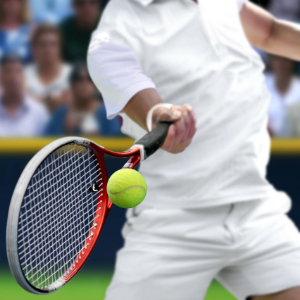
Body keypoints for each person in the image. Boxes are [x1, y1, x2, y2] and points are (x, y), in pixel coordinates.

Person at [88, 1, 300, 300]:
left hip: (255, 209)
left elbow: (270, 32)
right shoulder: (122, 20)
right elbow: (126, 82)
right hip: (173, 220)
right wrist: (158, 113)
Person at [45, 62, 121, 136]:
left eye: (89, 79)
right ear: (72, 84)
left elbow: (118, 144)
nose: (84, 83)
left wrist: (98, 141)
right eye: (79, 79)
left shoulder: (107, 114)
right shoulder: (61, 113)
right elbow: (47, 142)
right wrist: (67, 132)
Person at [25, 24, 72, 112]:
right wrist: (50, 98)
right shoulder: (24, 73)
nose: (48, 49)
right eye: (43, 44)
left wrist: (36, 98)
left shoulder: (71, 73)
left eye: (53, 44)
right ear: (34, 48)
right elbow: (22, 102)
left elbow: (68, 103)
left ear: (60, 47)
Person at [0, 54, 49, 136]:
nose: (13, 77)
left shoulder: (38, 112)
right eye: (8, 71)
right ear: (1, 77)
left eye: (18, 71)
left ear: (24, 76)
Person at [266, 55, 300, 137]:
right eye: (277, 59)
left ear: (292, 61)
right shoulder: (261, 83)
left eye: (285, 59)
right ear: (271, 60)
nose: (281, 63)